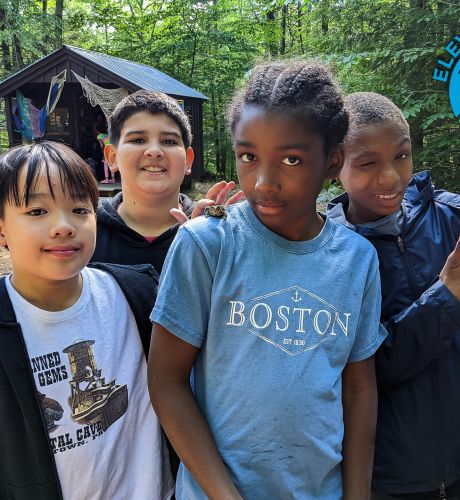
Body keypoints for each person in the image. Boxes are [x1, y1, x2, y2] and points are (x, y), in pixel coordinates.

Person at [147, 60, 387, 499]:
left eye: (291, 159)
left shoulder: (357, 260)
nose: (264, 181)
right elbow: (166, 381)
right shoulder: (208, 245)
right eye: (248, 157)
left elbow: (359, 387)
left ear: (333, 161)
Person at [326, 92, 460, 500]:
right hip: (385, 482)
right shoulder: (329, 252)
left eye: (401, 156)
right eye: (368, 163)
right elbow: (359, 373)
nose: (390, 177)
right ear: (335, 165)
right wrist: (447, 302)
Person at [0, 141, 173, 499]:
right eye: (36, 211)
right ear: (2, 229)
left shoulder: (138, 293)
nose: (63, 226)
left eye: (80, 209)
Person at [90, 90, 242, 274]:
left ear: (188, 160)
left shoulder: (214, 229)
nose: (154, 151)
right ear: (112, 157)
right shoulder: (86, 229)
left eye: (169, 141)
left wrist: (214, 246)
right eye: (138, 140)